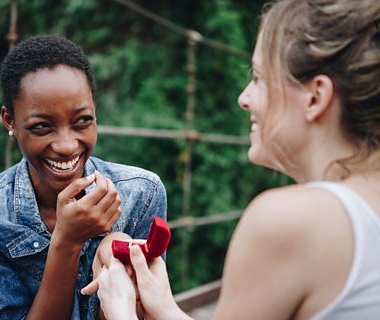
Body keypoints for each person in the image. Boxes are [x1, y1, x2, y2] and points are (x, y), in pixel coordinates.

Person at [82, 0, 380, 319]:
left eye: (259, 78)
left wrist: (120, 311)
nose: (244, 98)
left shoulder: (288, 222)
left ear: (315, 97)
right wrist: (166, 308)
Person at [0, 35, 167, 320]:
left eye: (82, 120)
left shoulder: (142, 193)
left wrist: (114, 255)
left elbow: (145, 311)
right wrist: (67, 241)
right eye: (42, 127)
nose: (67, 146)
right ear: (9, 121)